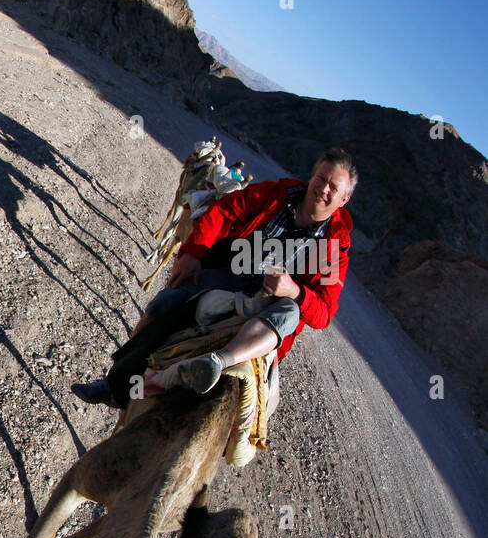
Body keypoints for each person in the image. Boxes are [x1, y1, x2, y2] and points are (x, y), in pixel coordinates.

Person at [72, 147, 357, 407]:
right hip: (231, 277)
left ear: (343, 199)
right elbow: (225, 210)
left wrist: (294, 290)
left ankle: (217, 362)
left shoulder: (331, 244)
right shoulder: (277, 197)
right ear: (313, 176)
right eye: (321, 179)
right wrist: (194, 253)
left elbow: (324, 311)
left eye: (333, 187)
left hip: (271, 306)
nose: (323, 189)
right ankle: (113, 384)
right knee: (165, 303)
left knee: (291, 313)